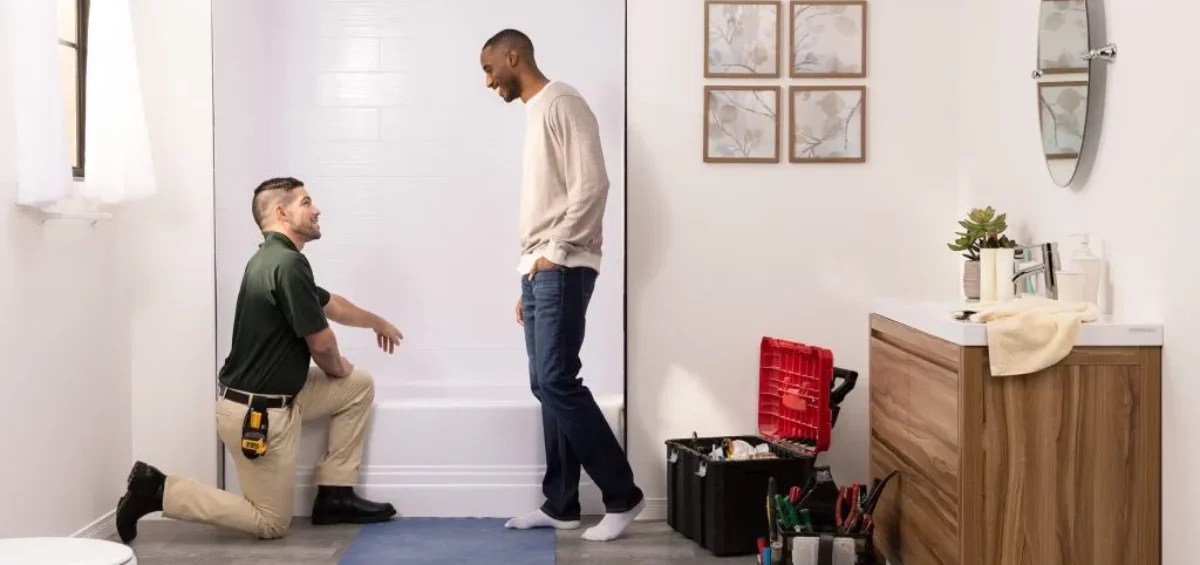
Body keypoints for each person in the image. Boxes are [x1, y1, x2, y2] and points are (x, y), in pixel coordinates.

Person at [114, 177, 403, 543]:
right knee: (270, 523)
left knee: (357, 386)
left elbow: (332, 304)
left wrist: (377, 322)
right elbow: (323, 344)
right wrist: (336, 366)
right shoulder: (287, 264)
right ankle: (157, 489)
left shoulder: (273, 260)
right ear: (282, 212)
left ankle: (336, 494)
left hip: (283, 396)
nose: (316, 210)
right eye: (306, 202)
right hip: (259, 415)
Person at [479, 29, 644, 542]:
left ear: (513, 57)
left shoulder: (562, 101)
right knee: (544, 382)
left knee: (557, 379)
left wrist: (553, 255)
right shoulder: (537, 111)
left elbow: (592, 185)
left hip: (564, 263)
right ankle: (562, 504)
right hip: (542, 266)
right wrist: (530, 272)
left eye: (489, 70)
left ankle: (623, 496)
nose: (488, 83)